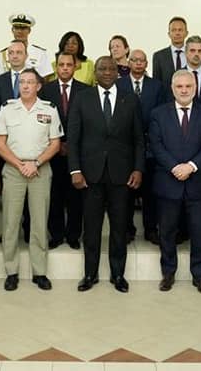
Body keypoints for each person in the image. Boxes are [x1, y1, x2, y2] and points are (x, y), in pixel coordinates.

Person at [69, 56, 144, 294]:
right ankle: (90, 274)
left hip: (122, 175)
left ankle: (118, 274)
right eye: (102, 68)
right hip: (90, 175)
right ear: (95, 72)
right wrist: (75, 169)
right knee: (91, 228)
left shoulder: (130, 99)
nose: (108, 72)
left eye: (112, 68)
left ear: (117, 72)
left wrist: (138, 168)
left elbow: (139, 139)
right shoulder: (82, 98)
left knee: (119, 228)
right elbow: (73, 139)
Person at [150, 70, 201, 294]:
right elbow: (156, 145)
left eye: (188, 86)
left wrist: (191, 166)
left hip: (197, 182)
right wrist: (174, 167)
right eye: (179, 86)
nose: (184, 90)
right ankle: (168, 273)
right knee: (167, 232)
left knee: (199, 232)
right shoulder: (158, 114)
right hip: (168, 182)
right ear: (172, 88)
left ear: (195, 88)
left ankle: (199, 275)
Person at [0, 68, 62, 291]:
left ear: (38, 86)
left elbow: (55, 144)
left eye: (30, 82)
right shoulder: (7, 109)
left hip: (40, 169)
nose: (25, 86)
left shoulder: (49, 110)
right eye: (22, 82)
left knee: (39, 222)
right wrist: (20, 164)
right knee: (11, 223)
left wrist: (36, 163)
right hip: (14, 169)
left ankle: (39, 272)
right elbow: (0, 145)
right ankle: (11, 271)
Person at [117, 49, 165, 244]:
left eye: (141, 61)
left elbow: (162, 113)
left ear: (146, 64)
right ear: (128, 63)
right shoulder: (119, 84)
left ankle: (151, 229)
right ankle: (128, 229)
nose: (138, 63)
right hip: (125, 146)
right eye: (134, 60)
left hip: (151, 145)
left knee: (150, 192)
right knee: (126, 191)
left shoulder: (157, 86)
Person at [39, 52, 87, 249]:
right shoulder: (45, 90)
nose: (65, 67)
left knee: (76, 196)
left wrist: (72, 145)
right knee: (55, 195)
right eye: (61, 64)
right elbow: (41, 121)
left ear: (76, 66)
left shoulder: (85, 91)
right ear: (56, 66)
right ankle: (56, 234)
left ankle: (74, 235)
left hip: (78, 153)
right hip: (52, 152)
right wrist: (57, 144)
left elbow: (89, 122)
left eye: (69, 64)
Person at [0, 13, 51, 79]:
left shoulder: (40, 53)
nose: (19, 31)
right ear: (12, 30)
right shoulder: (3, 55)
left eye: (23, 28)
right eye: (16, 28)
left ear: (29, 31)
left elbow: (46, 78)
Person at [170, 35, 201, 110]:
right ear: (186, 52)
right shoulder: (175, 76)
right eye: (192, 50)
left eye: (200, 51)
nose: (196, 54)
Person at [0, 40, 30, 118]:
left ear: (26, 55)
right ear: (8, 56)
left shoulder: (34, 79)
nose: (15, 56)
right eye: (11, 53)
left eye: (19, 52)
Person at [151, 16, 189, 87]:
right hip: (166, 97)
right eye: (174, 30)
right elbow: (156, 83)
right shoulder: (158, 56)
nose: (177, 33)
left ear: (186, 33)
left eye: (180, 30)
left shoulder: (193, 53)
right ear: (169, 34)